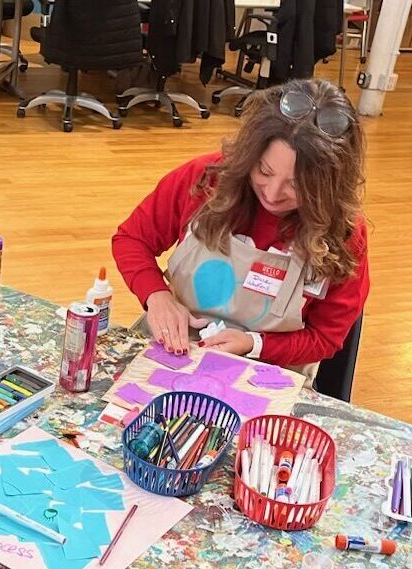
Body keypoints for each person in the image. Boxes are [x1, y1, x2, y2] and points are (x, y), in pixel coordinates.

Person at [112, 78, 369, 379]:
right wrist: (157, 295)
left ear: (328, 187)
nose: (272, 194)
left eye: (297, 186)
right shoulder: (206, 179)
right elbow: (131, 239)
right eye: (264, 171)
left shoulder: (343, 233)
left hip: (268, 366)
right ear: (249, 154)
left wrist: (254, 344)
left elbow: (325, 338)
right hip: (175, 345)